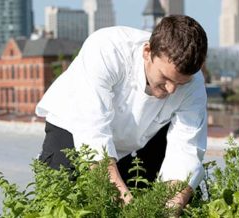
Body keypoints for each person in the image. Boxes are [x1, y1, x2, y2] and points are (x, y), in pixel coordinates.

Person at [35, 15, 208, 212]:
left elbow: (186, 153)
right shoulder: (106, 49)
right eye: (165, 78)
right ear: (147, 51)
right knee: (56, 202)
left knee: (149, 204)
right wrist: (127, 204)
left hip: (137, 141)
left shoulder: (194, 85)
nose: (171, 90)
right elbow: (93, 134)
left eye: (180, 83)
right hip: (72, 128)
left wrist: (169, 209)